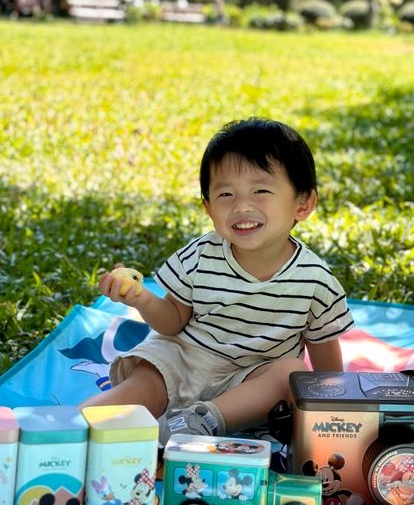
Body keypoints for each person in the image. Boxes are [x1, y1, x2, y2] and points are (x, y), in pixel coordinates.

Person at [79, 118, 354, 445]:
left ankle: (196, 423)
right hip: (182, 360)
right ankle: (70, 426)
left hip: (247, 383)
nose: (242, 205)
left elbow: (325, 363)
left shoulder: (315, 280)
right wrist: (141, 300)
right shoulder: (199, 255)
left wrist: (335, 411)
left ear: (303, 203)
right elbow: (172, 322)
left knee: (290, 374)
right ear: (208, 207)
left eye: (261, 190)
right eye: (225, 194)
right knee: (145, 382)